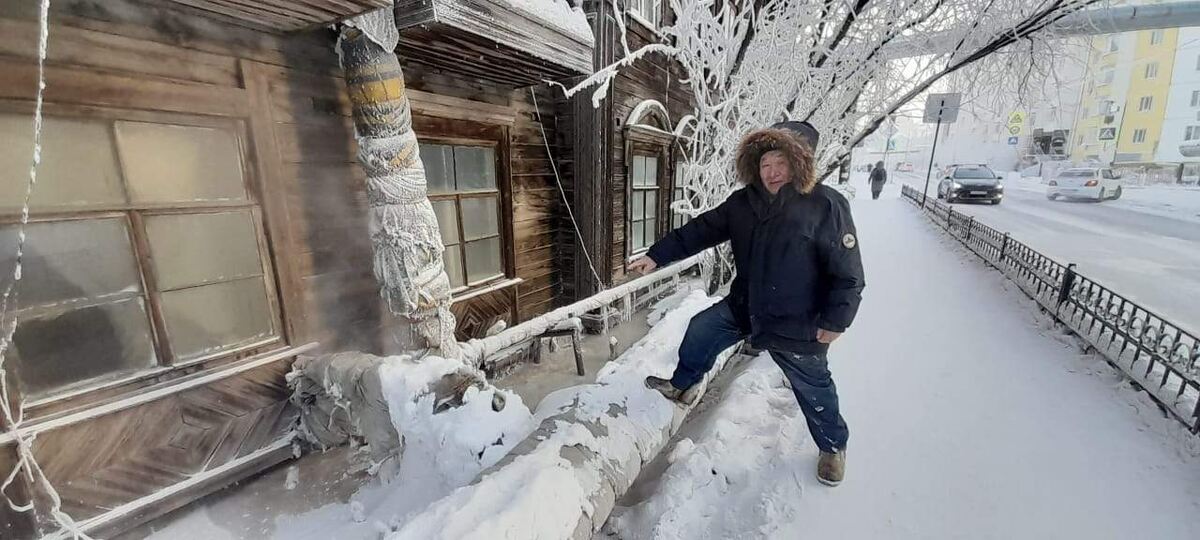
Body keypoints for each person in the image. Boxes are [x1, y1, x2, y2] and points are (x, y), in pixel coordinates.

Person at [628, 121, 865, 487]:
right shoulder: (744, 203)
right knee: (701, 331)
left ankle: (833, 447)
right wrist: (657, 256)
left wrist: (836, 320)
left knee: (813, 388)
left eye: (781, 163)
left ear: (800, 164)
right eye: (765, 163)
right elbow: (702, 230)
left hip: (799, 320)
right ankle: (683, 385)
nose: (771, 172)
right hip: (747, 305)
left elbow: (847, 271)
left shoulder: (826, 205)